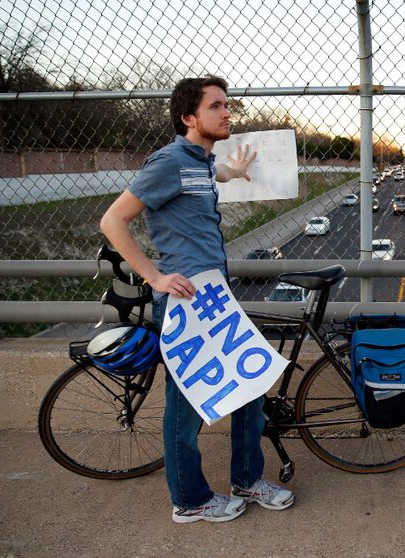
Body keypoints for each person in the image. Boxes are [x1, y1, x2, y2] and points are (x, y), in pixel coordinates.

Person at [100, 76, 294, 523]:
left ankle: (246, 478)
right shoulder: (167, 162)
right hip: (185, 300)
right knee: (184, 407)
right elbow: (113, 220)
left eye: (227, 106)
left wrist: (237, 171)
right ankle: (189, 501)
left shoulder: (203, 162)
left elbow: (213, 174)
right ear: (189, 118)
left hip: (215, 295)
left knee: (249, 385)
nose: (228, 113)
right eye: (216, 107)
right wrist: (154, 277)